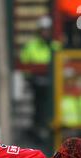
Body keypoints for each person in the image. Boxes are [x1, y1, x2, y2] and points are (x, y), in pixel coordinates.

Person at [20, 16, 61, 145]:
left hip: (53, 83)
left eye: (47, 30)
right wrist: (30, 76)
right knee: (38, 107)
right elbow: (25, 62)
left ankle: (49, 130)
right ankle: (39, 130)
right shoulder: (31, 46)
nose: (45, 33)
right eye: (43, 30)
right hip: (37, 81)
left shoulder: (55, 46)